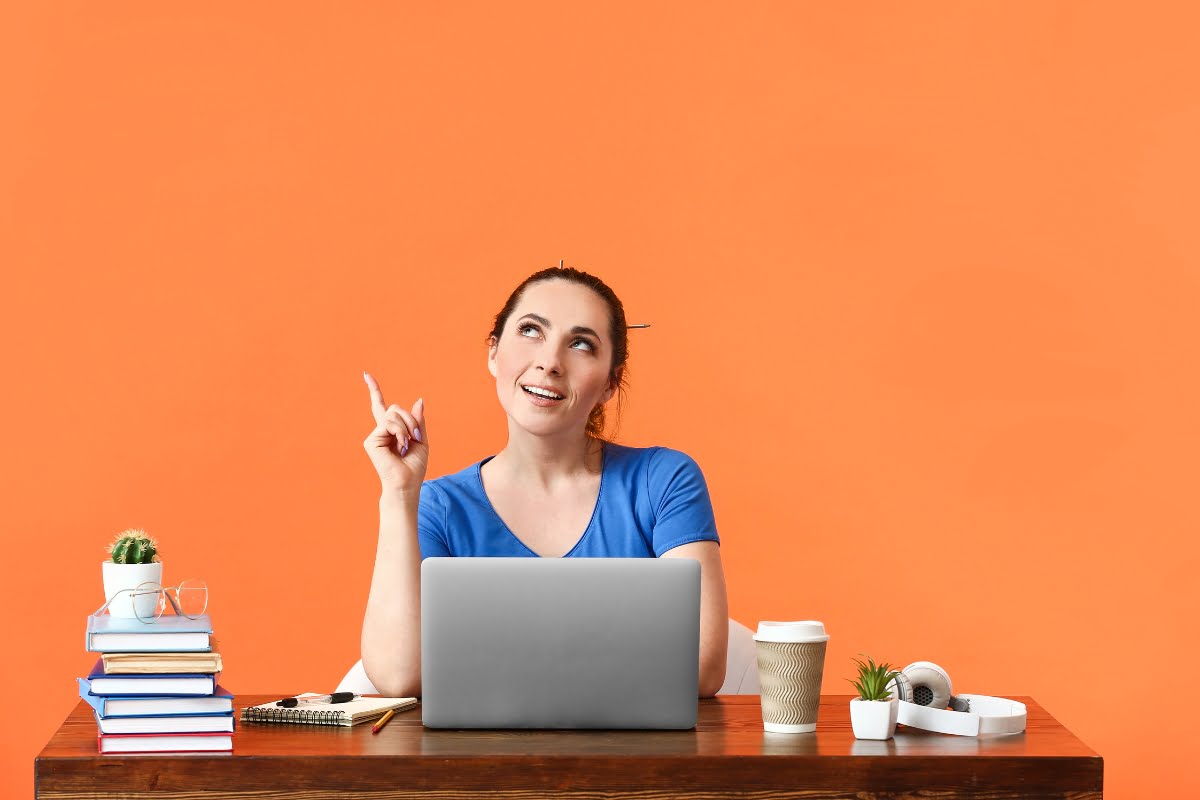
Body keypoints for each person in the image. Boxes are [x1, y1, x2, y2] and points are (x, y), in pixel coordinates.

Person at [359, 266, 729, 698]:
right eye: (531, 331)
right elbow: (400, 676)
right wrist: (399, 494)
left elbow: (701, 664)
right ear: (493, 353)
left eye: (580, 344)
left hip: (636, 760)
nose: (550, 362)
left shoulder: (663, 481)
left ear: (611, 382)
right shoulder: (438, 506)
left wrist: (485, 667)